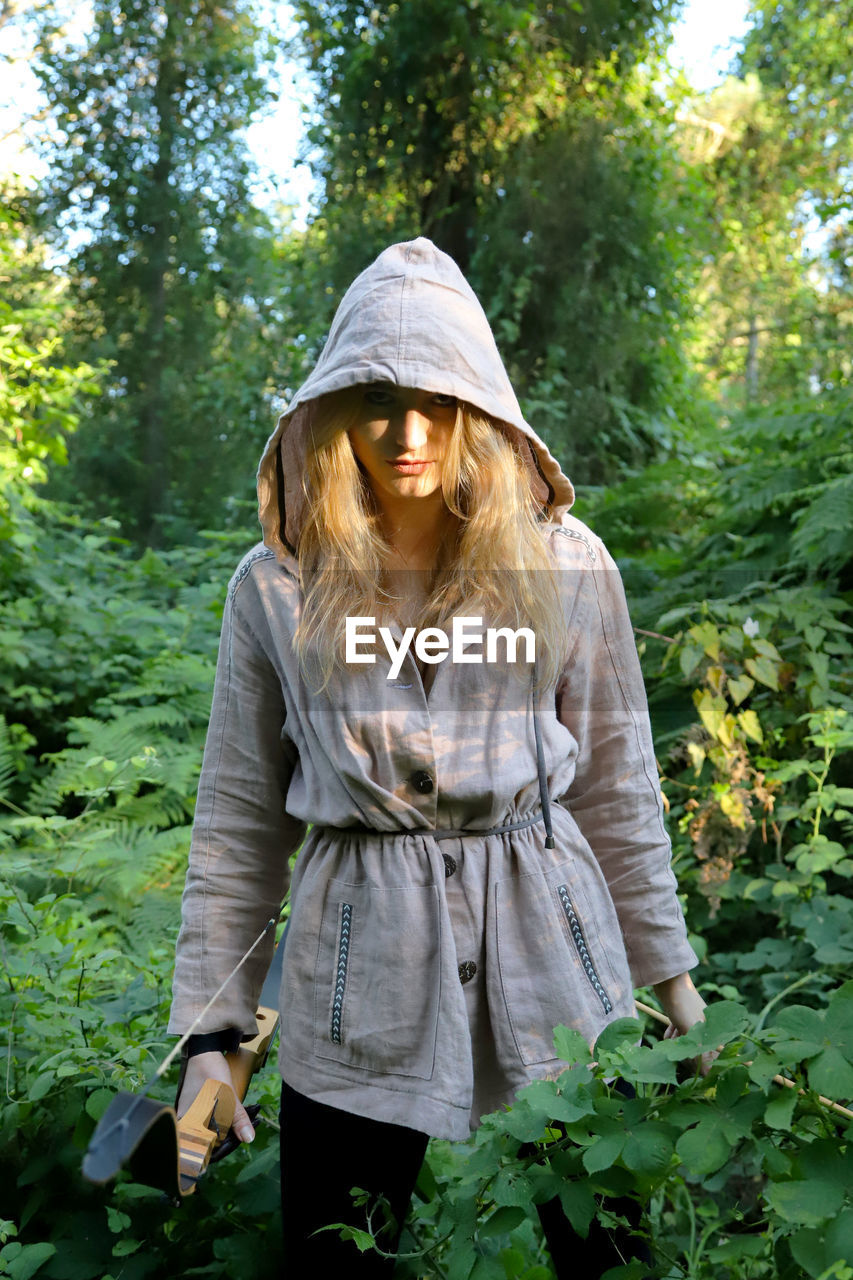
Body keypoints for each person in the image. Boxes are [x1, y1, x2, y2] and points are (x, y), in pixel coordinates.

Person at [170, 237, 708, 1276]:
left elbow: (616, 785)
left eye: (434, 399)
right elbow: (240, 815)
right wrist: (215, 1031)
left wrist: (678, 993)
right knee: (341, 1247)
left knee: (612, 1247)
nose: (405, 432)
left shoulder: (563, 563)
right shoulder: (274, 587)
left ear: (478, 404)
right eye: (373, 398)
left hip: (559, 959)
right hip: (351, 978)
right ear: (331, 408)